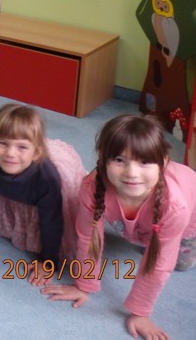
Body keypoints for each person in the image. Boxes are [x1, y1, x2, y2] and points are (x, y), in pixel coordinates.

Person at [41, 114, 196, 340]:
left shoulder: (175, 206)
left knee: (178, 262)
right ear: (103, 159)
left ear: (163, 162)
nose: (131, 173)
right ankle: (142, 233)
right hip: (143, 224)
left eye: (144, 162)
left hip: (187, 220)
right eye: (119, 160)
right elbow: (88, 237)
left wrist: (140, 313)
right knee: (137, 237)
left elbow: (160, 264)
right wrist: (84, 285)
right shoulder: (92, 187)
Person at [0, 103, 86, 270]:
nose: (10, 153)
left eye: (22, 147)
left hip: (44, 186)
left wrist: (48, 262)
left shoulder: (47, 178)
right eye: (2, 143)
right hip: (12, 184)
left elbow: (51, 221)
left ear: (36, 153)